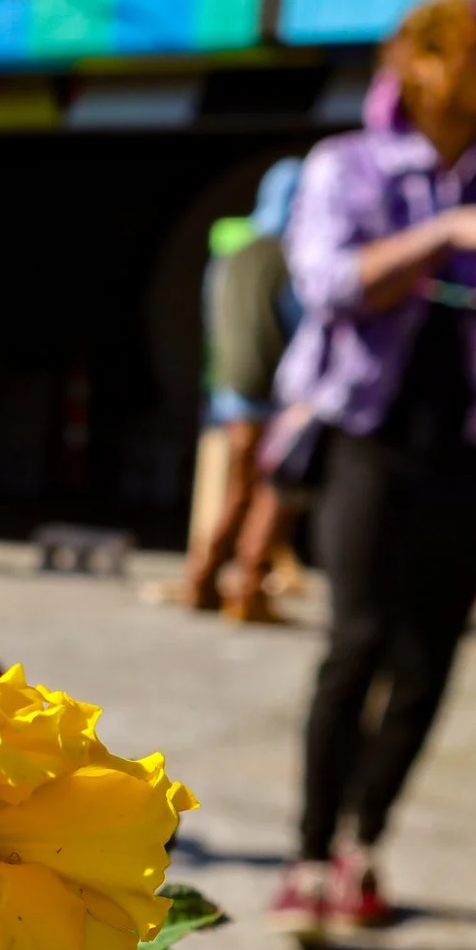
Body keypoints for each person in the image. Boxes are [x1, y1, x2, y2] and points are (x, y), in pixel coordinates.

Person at [268, 0, 476, 929]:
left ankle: (367, 843)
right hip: (370, 435)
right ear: (420, 61)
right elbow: (326, 283)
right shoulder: (346, 167)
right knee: (356, 640)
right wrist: (448, 232)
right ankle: (306, 851)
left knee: (430, 658)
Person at [182, 158, 303, 621]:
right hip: (273, 389)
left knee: (238, 488)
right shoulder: (291, 251)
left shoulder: (234, 251)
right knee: (276, 489)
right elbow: (300, 325)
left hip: (231, 385)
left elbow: (213, 317)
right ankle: (249, 589)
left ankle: (203, 577)